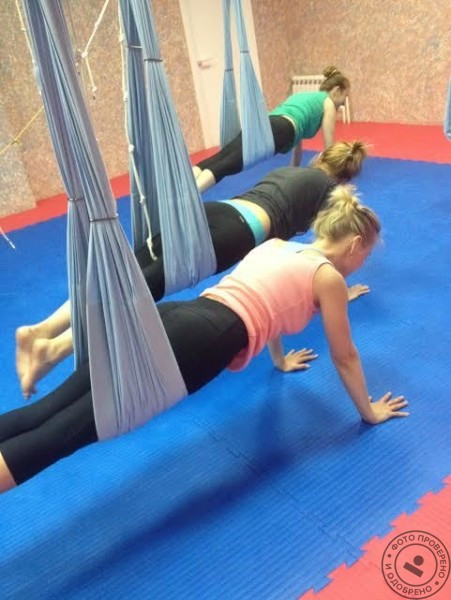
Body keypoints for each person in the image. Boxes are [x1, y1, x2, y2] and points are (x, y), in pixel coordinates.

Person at [1, 186, 408, 493]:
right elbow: (345, 356)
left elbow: (268, 308)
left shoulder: (279, 246)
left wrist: (280, 360)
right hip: (203, 340)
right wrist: (369, 411)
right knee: (64, 435)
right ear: (355, 245)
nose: (364, 263)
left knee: (47, 411)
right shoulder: (329, 278)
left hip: (178, 315)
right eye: (367, 255)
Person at [16, 141, 368, 398]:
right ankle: (55, 349)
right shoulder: (328, 192)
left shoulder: (291, 171)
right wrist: (339, 289)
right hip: (236, 233)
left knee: (126, 276)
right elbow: (321, 256)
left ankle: (43, 329)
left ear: (321, 158)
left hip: (214, 213)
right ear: (343, 182)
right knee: (138, 291)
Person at [193, 66, 350, 192]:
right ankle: (192, 195)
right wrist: (336, 184)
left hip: (266, 122)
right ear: (337, 90)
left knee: (223, 156)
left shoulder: (305, 97)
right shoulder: (328, 103)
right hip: (282, 130)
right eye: (345, 96)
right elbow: (329, 149)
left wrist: (292, 172)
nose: (344, 102)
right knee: (230, 163)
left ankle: (188, 183)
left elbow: (297, 138)